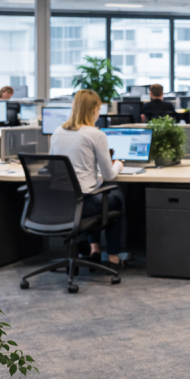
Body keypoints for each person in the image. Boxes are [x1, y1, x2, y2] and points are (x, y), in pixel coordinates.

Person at [50, 89, 126, 270]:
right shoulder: (96, 134)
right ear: (93, 110)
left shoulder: (57, 131)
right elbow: (109, 175)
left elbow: (54, 166)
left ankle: (95, 251)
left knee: (95, 192)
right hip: (82, 204)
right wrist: (119, 165)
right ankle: (114, 258)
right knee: (115, 200)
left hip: (56, 204)